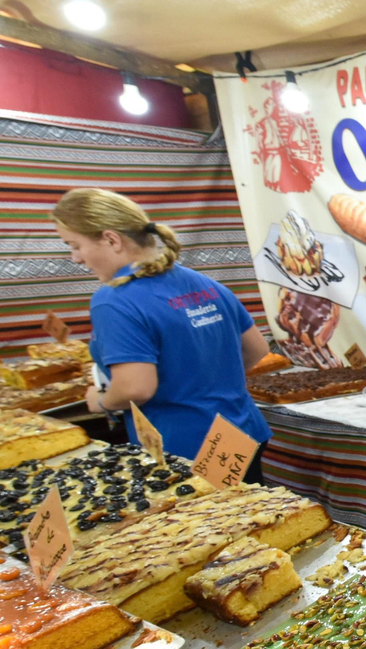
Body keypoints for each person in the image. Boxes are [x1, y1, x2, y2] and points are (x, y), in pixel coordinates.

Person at [53, 188, 273, 475]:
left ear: (111, 239)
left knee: (215, 507)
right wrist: (206, 381)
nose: (75, 258)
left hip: (186, 449)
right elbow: (257, 348)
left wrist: (102, 402)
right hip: (241, 432)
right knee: (252, 503)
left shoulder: (114, 300)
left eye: (75, 246)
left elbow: (135, 388)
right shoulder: (203, 282)